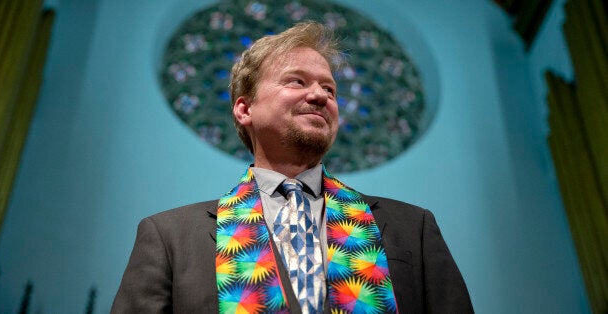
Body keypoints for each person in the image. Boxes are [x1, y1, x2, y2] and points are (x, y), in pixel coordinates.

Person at [112, 22, 473, 314]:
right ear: (244, 109)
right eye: (297, 81)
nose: (320, 96)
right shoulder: (170, 236)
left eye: (329, 90)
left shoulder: (413, 227)